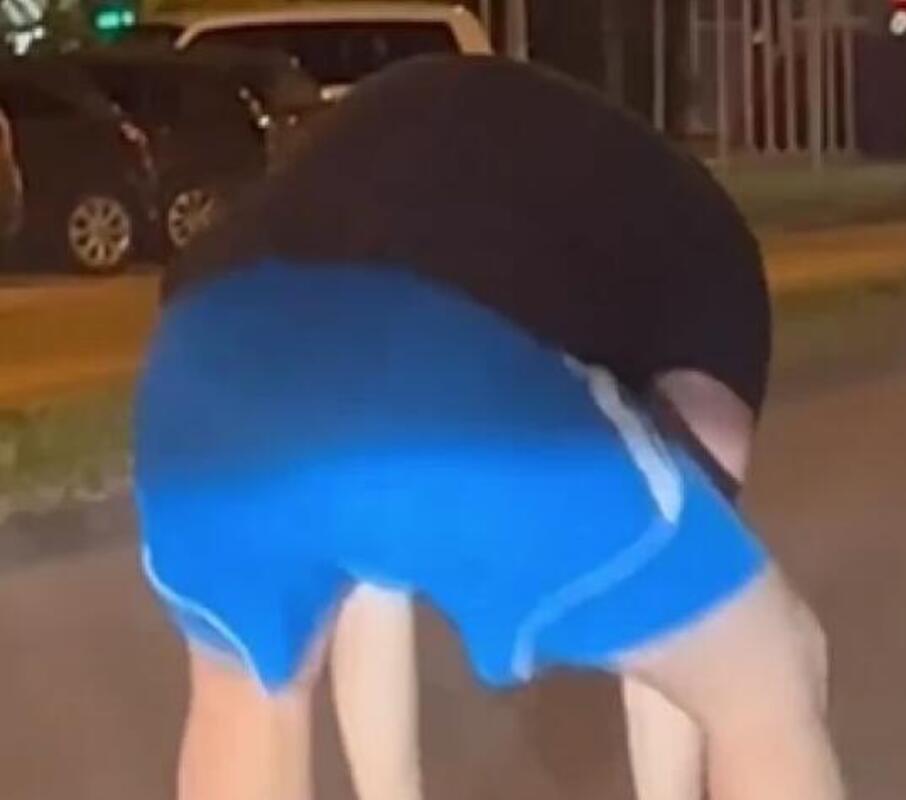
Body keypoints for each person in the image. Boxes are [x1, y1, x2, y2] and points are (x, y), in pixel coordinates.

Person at [134, 56, 843, 800]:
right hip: (421, 347)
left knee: (247, 690)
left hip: (203, 355)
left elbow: (364, 541)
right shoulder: (707, 257)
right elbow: (687, 557)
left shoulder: (486, 157)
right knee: (768, 676)